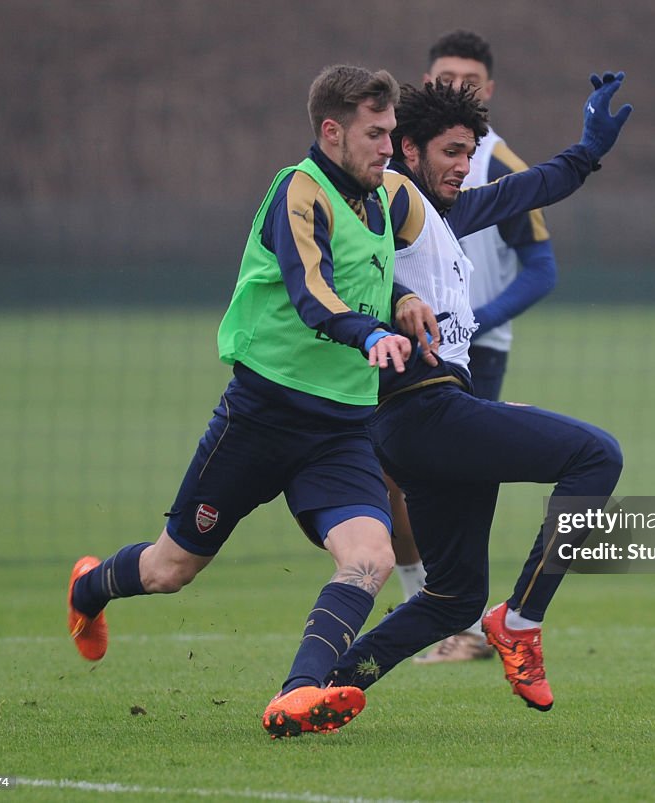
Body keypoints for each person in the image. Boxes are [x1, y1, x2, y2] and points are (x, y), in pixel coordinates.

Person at [64, 64, 440, 740]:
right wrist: (373, 330)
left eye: (392, 133)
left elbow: (435, 228)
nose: (390, 146)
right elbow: (311, 291)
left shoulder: (390, 194)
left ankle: (299, 693)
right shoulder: (299, 192)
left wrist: (405, 297)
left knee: (371, 556)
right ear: (332, 131)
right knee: (170, 568)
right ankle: (89, 588)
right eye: (376, 133)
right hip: (261, 419)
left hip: (342, 429)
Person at [324, 72, 632, 721]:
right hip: (423, 409)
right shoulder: (384, 206)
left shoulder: (448, 211)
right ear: (407, 150)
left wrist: (586, 151)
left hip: (425, 427)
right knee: (597, 457)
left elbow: (528, 188)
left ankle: (330, 683)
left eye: (471, 152)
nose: (465, 166)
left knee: (454, 598)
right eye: (452, 152)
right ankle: (520, 621)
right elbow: (344, 266)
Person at [395, 30, 565, 665]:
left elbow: (542, 269)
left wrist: (472, 317)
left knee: (455, 483)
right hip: (405, 343)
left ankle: (460, 623)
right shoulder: (398, 171)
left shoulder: (498, 167)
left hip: (473, 350)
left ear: (488, 90)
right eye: (443, 79)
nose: (455, 88)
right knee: (394, 481)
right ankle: (441, 612)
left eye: (468, 81)